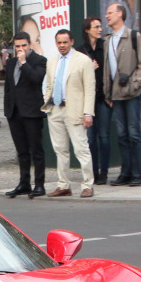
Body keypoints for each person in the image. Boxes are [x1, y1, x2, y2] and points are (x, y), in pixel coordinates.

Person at [41, 29, 95, 197]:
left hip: (75, 110)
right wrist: (48, 102)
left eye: (65, 42)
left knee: (81, 149)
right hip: (55, 109)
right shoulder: (52, 61)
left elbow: (89, 88)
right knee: (60, 150)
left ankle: (87, 185)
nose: (62, 45)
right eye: (59, 42)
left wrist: (88, 113)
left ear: (71, 41)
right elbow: (50, 83)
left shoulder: (83, 60)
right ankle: (63, 185)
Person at [102, 2, 141, 186]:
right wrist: (108, 92)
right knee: (121, 135)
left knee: (134, 133)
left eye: (110, 12)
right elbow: (107, 69)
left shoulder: (133, 37)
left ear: (120, 14)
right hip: (115, 94)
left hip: (131, 93)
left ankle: (138, 173)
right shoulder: (108, 40)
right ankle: (126, 172)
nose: (107, 16)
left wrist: (135, 85)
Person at [3, 30, 48, 197]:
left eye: (23, 45)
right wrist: (8, 109)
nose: (20, 49)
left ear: (30, 45)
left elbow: (36, 79)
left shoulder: (39, 61)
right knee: (21, 151)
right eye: (17, 46)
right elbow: (8, 88)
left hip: (32, 112)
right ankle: (24, 183)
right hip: (14, 112)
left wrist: (24, 63)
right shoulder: (11, 62)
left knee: (36, 149)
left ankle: (40, 184)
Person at [78, 16, 109, 184]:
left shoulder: (105, 48)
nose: (99, 29)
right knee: (90, 138)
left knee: (104, 136)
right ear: (87, 30)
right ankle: (93, 171)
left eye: (100, 26)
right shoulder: (81, 51)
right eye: (96, 27)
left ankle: (103, 172)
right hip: (87, 101)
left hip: (103, 98)